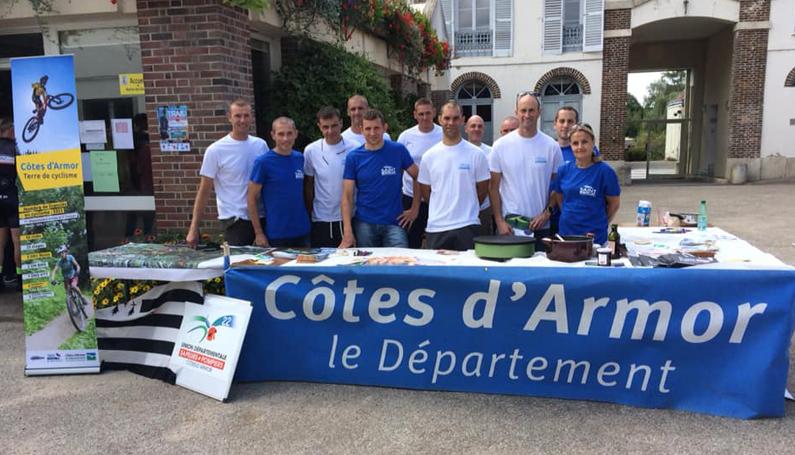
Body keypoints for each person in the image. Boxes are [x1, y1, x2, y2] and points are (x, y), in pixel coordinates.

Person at [187, 99, 266, 247]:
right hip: (235, 220)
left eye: (246, 115)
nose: (242, 120)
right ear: (229, 117)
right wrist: (193, 229)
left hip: (261, 216)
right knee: (239, 266)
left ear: (251, 117)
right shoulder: (216, 150)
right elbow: (204, 191)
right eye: (238, 116)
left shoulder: (260, 145)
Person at [489, 92, 562, 247]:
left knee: (540, 270)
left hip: (541, 226)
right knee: (509, 270)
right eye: (523, 110)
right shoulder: (500, 146)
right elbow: (493, 187)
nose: (527, 115)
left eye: (531, 110)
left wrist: (547, 213)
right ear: (516, 112)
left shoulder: (551, 146)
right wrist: (499, 221)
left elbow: (557, 186)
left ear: (539, 112)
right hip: (510, 227)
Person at [340, 109, 420, 248]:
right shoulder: (353, 157)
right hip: (365, 224)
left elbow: (418, 176)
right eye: (368, 129)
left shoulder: (398, 150)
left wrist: (415, 209)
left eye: (376, 128)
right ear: (361, 130)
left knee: (401, 265)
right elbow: (347, 196)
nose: (372, 133)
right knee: (367, 266)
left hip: (394, 223)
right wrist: (347, 231)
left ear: (385, 128)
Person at [418, 102, 489, 251]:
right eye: (447, 118)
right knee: (439, 273)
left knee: (468, 274)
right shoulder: (429, 156)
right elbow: (426, 192)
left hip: (467, 225)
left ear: (463, 120)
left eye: (456, 118)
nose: (451, 123)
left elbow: (482, 191)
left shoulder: (477, 154)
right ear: (440, 119)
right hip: (437, 227)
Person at [551, 123, 620, 245]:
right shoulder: (563, 170)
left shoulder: (605, 172)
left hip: (595, 238)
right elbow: (559, 199)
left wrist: (601, 222)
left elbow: (614, 204)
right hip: (566, 236)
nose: (580, 147)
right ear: (570, 145)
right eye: (575, 143)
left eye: (584, 142)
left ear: (593, 143)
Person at [248, 117, 311, 248]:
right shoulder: (263, 162)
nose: (285, 139)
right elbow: (251, 198)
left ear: (296, 134)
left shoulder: (299, 158)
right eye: (281, 134)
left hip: (302, 231)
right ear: (273, 135)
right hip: (277, 234)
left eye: (289, 133)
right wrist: (258, 233)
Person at [303, 106, 359, 247]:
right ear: (319, 127)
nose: (330, 131)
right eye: (325, 127)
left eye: (334, 126)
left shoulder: (355, 148)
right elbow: (309, 184)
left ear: (341, 123)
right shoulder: (311, 150)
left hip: (349, 218)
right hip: (321, 218)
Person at [397, 98, 442, 248]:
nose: (425, 118)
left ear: (434, 113)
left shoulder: (443, 134)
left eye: (428, 113)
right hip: (410, 198)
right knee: (411, 242)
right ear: (415, 115)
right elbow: (399, 169)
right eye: (421, 114)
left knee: (437, 243)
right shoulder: (405, 137)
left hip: (437, 197)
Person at [464, 114, 494, 235]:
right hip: (463, 209)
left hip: (483, 209)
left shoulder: (491, 152)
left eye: (479, 126)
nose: (476, 129)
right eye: (473, 126)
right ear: (466, 128)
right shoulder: (459, 150)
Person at [0, 119, 20, 287]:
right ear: (10, 131)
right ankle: (20, 279)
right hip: (12, 198)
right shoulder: (14, 148)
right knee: (16, 242)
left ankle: (1, 278)